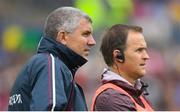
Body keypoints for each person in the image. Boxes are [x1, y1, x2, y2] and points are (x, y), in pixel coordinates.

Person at [8, 6, 96, 111]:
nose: (92, 42)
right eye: (86, 34)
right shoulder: (50, 63)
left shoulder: (45, 64)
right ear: (63, 37)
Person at [91, 24, 154, 111]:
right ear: (118, 56)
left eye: (145, 50)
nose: (146, 56)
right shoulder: (111, 99)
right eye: (139, 50)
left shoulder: (137, 94)